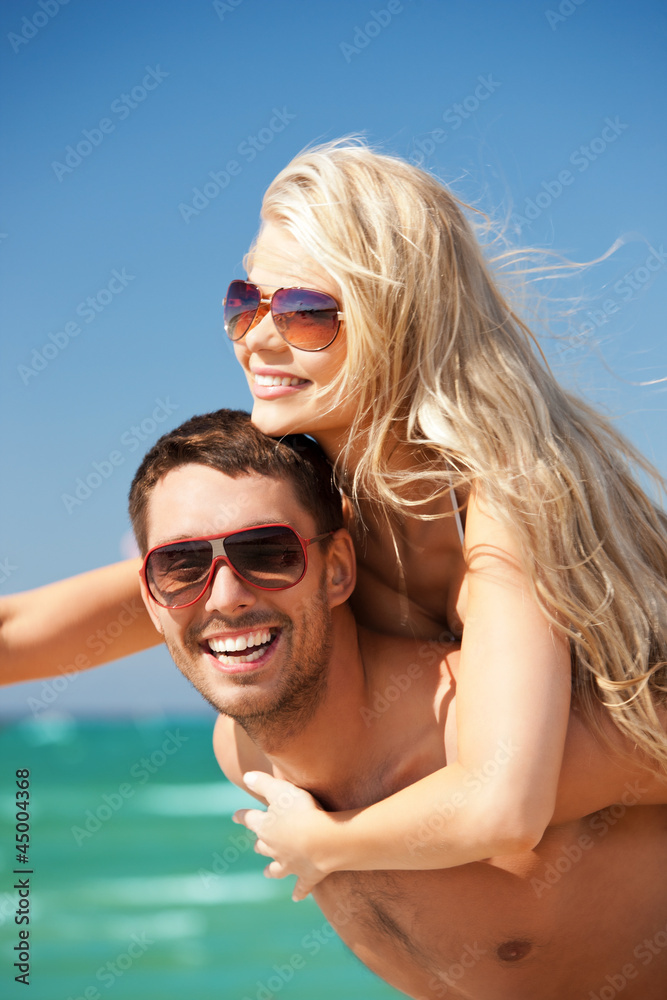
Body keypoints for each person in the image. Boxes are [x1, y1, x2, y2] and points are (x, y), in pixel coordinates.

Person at [2, 139, 666, 885]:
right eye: (242, 302)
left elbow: (502, 807)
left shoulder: (501, 497)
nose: (256, 338)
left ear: (402, 319)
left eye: (305, 312)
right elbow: (27, 633)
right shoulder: (308, 501)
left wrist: (321, 846)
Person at [129, 408, 667, 999]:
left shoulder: (487, 730)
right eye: (180, 566)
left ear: (336, 570)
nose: (226, 597)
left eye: (269, 553)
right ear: (153, 600)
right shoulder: (243, 755)